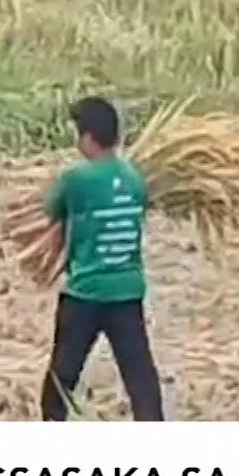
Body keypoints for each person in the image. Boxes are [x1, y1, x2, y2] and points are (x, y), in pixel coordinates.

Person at [39, 97, 166, 422]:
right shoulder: (135, 179)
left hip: (86, 292)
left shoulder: (75, 179)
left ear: (86, 137)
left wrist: (49, 265)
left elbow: (54, 222)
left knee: (60, 381)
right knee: (141, 379)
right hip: (127, 291)